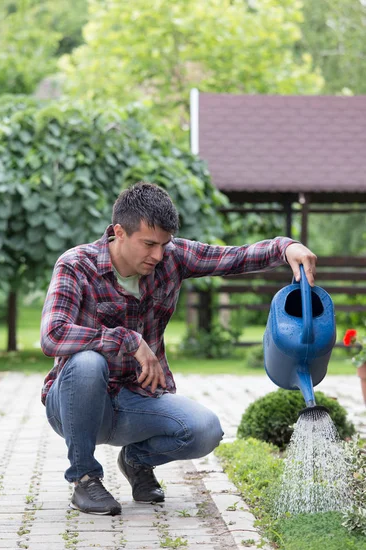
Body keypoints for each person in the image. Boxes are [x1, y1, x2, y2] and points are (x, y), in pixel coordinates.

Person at [40, 181, 317, 516]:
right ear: (118, 232)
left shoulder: (171, 258)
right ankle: (84, 477)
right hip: (74, 404)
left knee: (205, 430)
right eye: (149, 244)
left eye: (164, 244)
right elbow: (53, 335)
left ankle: (136, 461)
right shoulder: (76, 265)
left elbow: (234, 257)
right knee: (86, 363)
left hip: (135, 401)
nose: (158, 254)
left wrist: (285, 247)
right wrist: (129, 340)